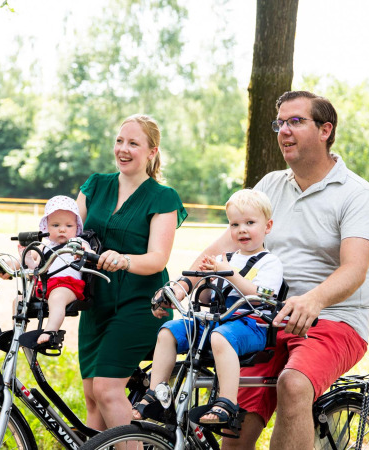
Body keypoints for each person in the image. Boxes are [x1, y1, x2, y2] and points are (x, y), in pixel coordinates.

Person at [181, 91, 369, 449]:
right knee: (235, 424)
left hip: (332, 318)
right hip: (264, 318)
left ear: (325, 130)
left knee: (294, 384)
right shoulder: (270, 185)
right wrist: (183, 285)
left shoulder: (356, 193)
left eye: (296, 121)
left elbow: (355, 269)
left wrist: (313, 300)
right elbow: (221, 247)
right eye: (280, 123)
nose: (284, 130)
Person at [132, 189, 283, 426]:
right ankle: (157, 393)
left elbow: (261, 296)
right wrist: (207, 278)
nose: (241, 230)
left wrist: (228, 273)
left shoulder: (270, 262)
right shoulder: (226, 258)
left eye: (250, 223)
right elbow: (208, 296)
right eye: (234, 224)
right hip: (216, 322)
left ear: (268, 226)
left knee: (220, 337)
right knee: (168, 331)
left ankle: (227, 401)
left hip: (251, 324)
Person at [77, 113, 187, 431]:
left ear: (152, 151)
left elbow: (157, 258)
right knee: (92, 396)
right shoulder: (95, 185)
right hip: (96, 303)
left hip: (141, 304)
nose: (123, 149)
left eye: (134, 144)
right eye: (120, 141)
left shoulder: (163, 197)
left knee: (107, 390)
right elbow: (69, 232)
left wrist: (123, 260)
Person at [21, 195, 93, 345]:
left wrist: (84, 253)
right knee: (20, 299)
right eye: (55, 225)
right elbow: (38, 270)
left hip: (68, 285)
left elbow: (90, 253)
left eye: (69, 226)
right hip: (46, 285)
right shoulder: (46, 247)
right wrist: (27, 259)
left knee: (57, 298)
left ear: (77, 227)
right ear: (46, 227)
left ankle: (50, 331)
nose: (62, 229)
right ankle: (18, 331)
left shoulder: (78, 242)